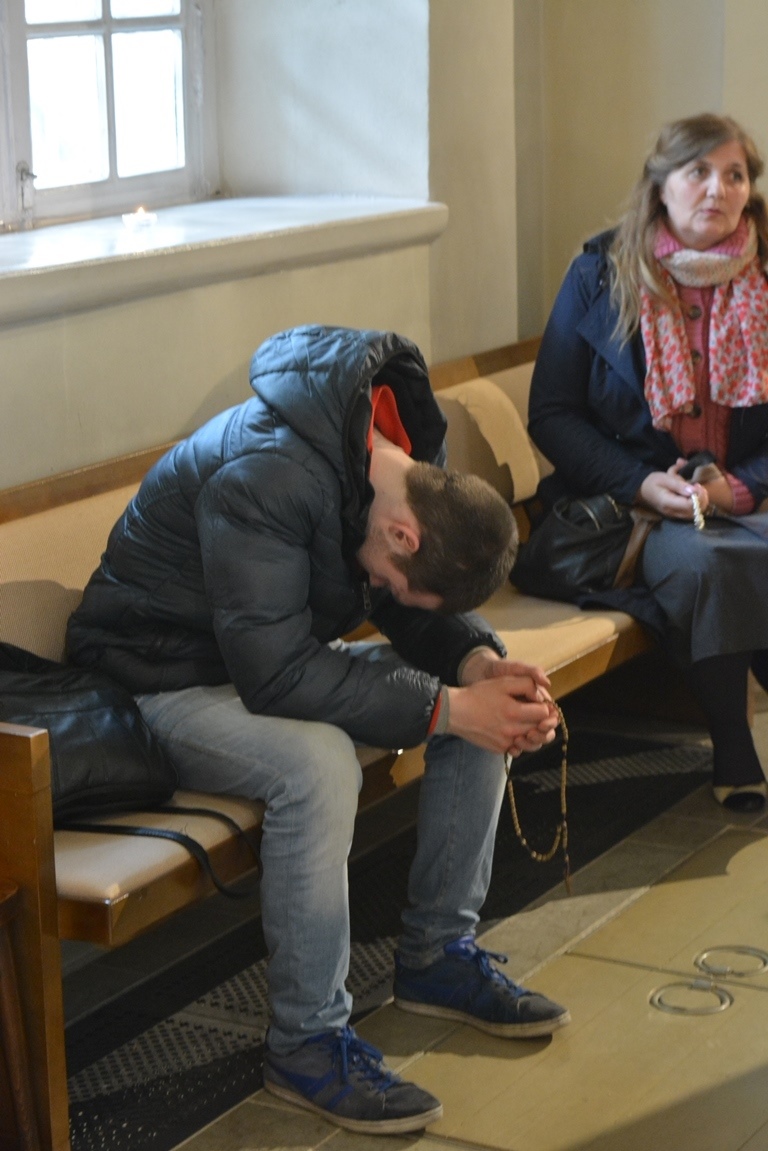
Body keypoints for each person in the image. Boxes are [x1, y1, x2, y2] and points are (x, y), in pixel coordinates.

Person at [66, 323, 570, 1136]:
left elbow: (394, 606)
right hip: (156, 679)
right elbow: (274, 676)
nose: (390, 594)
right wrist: (446, 705)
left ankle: (438, 956)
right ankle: (306, 1040)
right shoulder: (267, 474)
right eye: (398, 582)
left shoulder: (402, 457)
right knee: (320, 764)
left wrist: (477, 664)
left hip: (254, 653)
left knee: (478, 699)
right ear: (404, 533)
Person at [526, 112, 768, 814]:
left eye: (734, 175)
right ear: (660, 186)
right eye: (698, 172)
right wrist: (640, 482)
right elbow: (553, 413)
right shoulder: (599, 276)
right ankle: (733, 746)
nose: (717, 189)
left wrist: (738, 488)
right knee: (711, 565)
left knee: (738, 555)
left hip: (742, 495)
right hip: (636, 509)